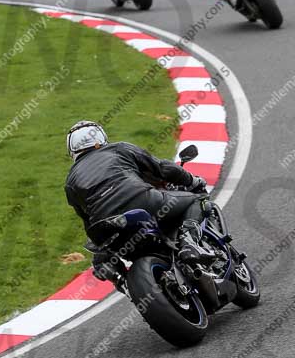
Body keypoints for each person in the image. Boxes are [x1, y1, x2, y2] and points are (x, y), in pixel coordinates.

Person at [64, 121, 211, 283]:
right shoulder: (118, 149)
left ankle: (119, 279)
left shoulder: (70, 181)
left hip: (105, 227)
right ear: (101, 137)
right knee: (196, 200)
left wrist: (101, 249)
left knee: (102, 257)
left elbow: (86, 218)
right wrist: (192, 181)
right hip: (142, 201)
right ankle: (189, 243)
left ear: (72, 150)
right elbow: (163, 168)